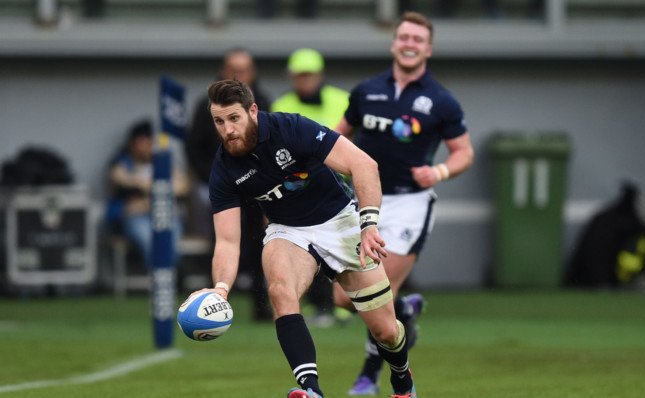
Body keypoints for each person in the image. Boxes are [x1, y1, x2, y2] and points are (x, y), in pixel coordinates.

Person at [192, 79, 419, 398]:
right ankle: (311, 390)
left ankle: (402, 378)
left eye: (234, 118)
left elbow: (363, 164)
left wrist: (369, 225)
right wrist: (221, 288)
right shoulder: (224, 169)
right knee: (281, 290)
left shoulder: (291, 128)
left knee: (386, 331)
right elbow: (228, 241)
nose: (227, 129)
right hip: (288, 230)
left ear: (252, 112)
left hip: (341, 220)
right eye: (219, 121)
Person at [334, 11, 474, 395]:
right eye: (404, 37)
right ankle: (406, 313)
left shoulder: (441, 101)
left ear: (428, 49)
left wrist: (440, 172)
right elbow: (335, 137)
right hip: (364, 202)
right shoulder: (366, 91)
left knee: (381, 294)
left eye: (418, 39)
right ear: (394, 43)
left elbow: (464, 152)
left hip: (410, 204)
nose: (410, 44)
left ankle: (370, 376)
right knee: (344, 298)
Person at [186, 48, 272, 321]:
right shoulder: (206, 106)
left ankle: (261, 304)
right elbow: (193, 147)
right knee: (223, 242)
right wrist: (211, 178)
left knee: (263, 245)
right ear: (223, 71)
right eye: (233, 69)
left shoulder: (264, 101)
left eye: (244, 69)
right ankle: (220, 303)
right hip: (225, 189)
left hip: (258, 189)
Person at [271, 48, 351, 326]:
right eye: (299, 75)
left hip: (341, 186)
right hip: (300, 187)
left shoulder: (342, 100)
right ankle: (319, 305)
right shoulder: (281, 103)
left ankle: (344, 305)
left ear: (319, 75)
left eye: (309, 75)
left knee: (344, 246)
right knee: (307, 248)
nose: (304, 80)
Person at [107, 119, 190, 268]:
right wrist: (146, 186)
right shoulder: (124, 162)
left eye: (146, 143)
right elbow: (118, 178)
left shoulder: (162, 162)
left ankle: (172, 274)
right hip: (137, 217)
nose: (142, 148)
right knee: (147, 239)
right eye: (139, 143)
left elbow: (183, 186)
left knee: (171, 239)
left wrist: (153, 190)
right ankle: (160, 274)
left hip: (165, 214)